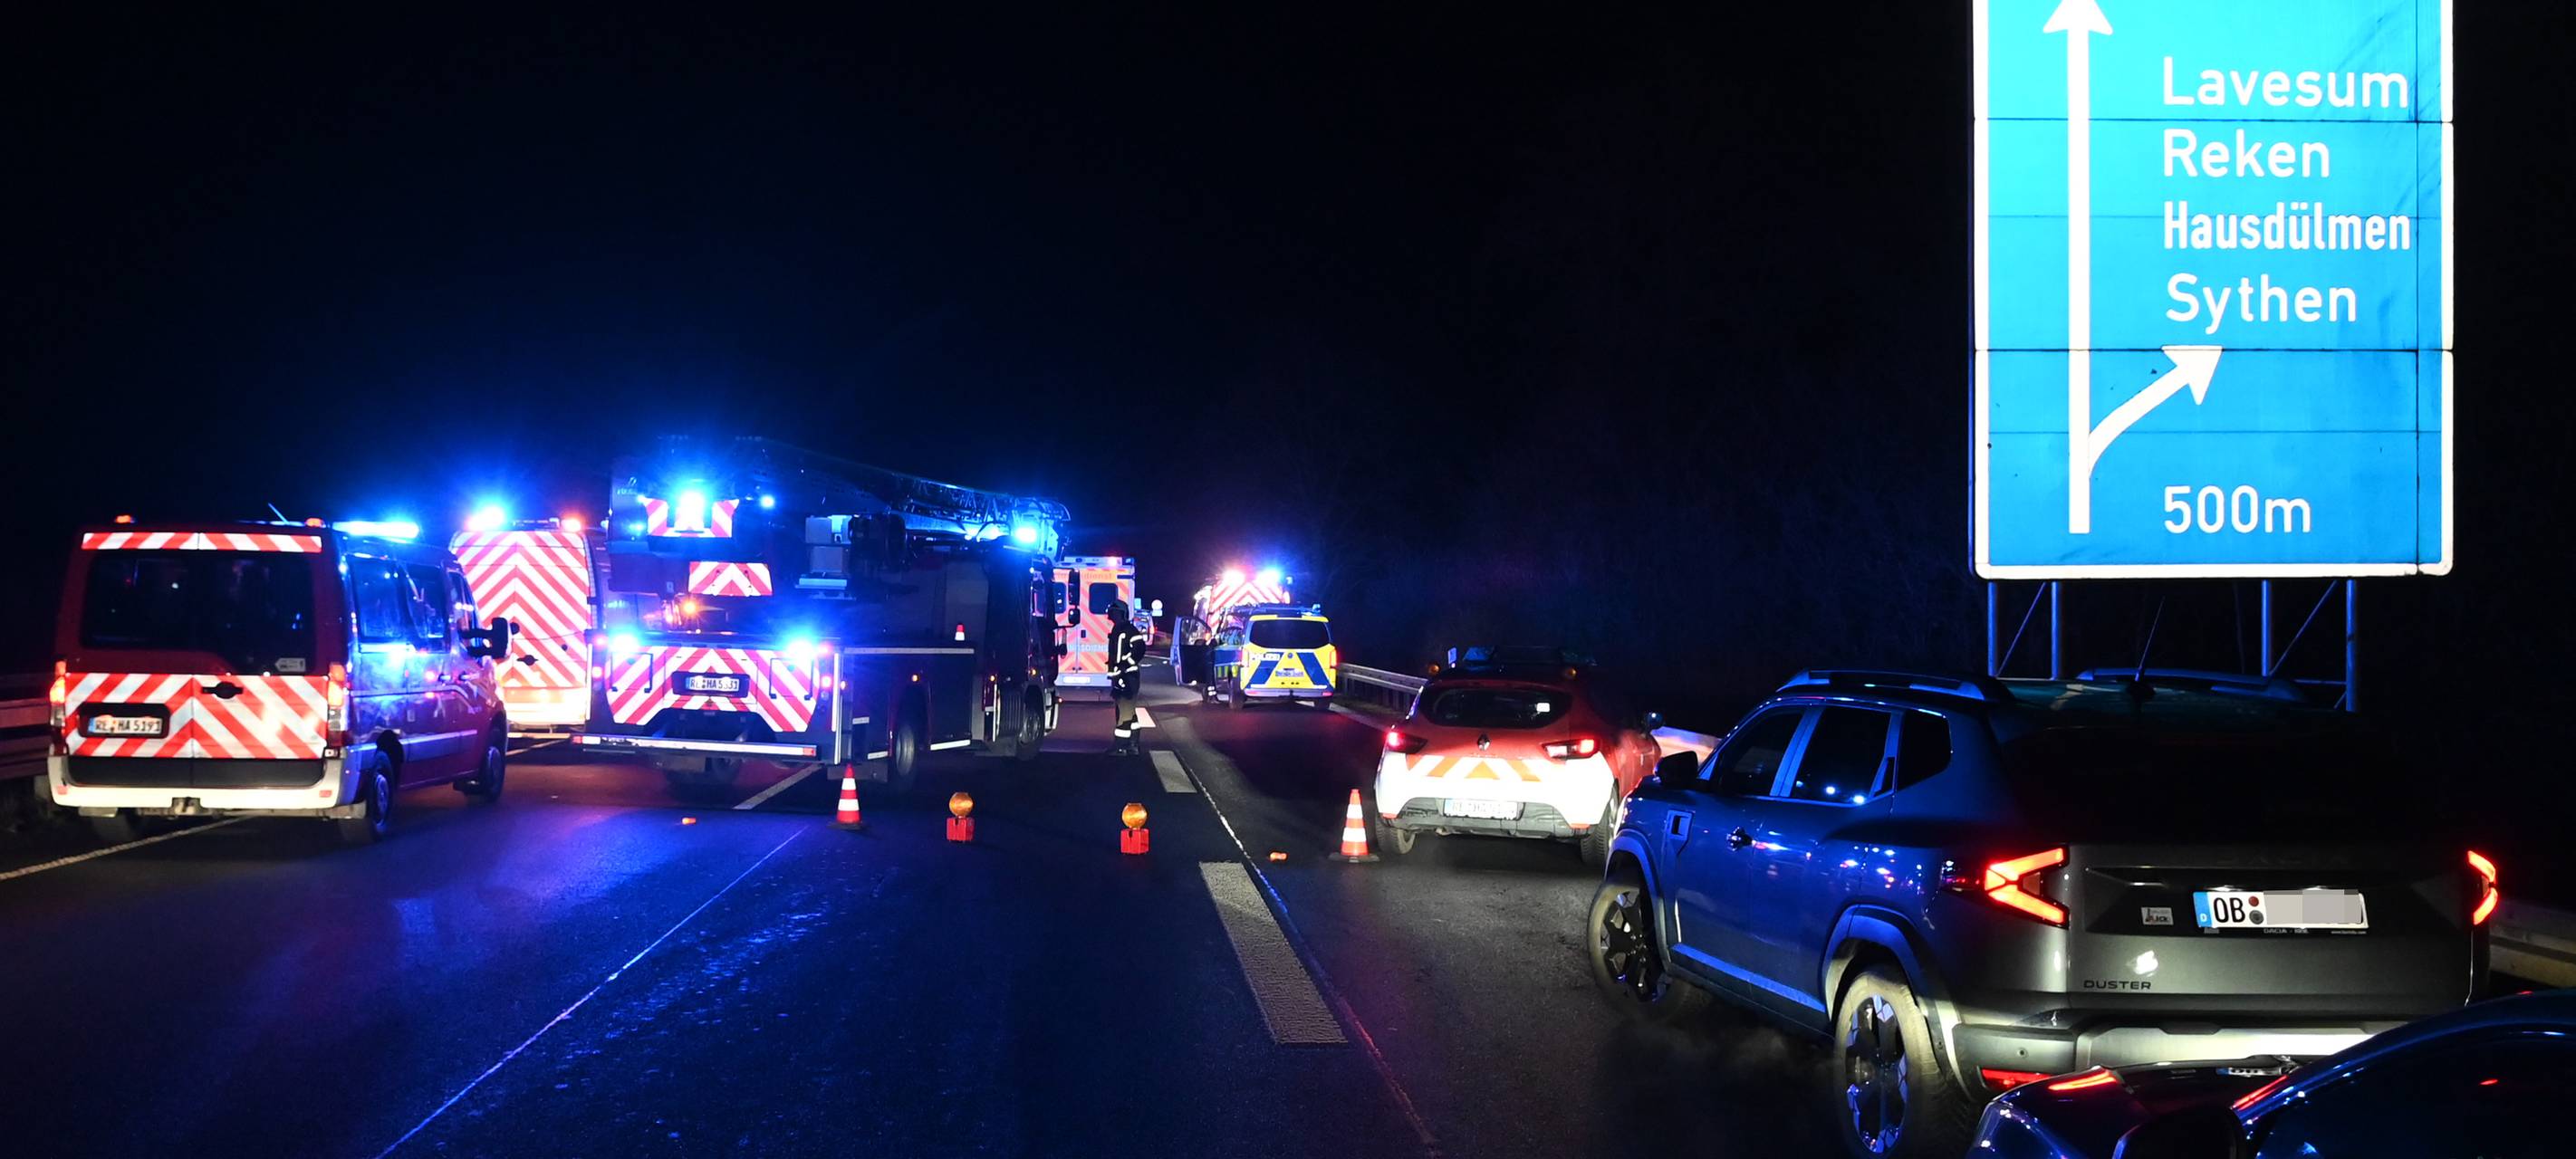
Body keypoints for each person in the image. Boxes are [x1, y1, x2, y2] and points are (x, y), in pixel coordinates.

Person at [1107, 598, 1145, 755]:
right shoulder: (1118, 630)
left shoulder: (1128, 631)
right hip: (1121, 677)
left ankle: (1121, 746)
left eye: (1113, 611)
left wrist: (1125, 665)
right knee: (1128, 712)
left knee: (1124, 714)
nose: (1110, 613)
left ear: (1121, 613)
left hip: (1128, 677)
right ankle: (1132, 744)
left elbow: (1139, 649)